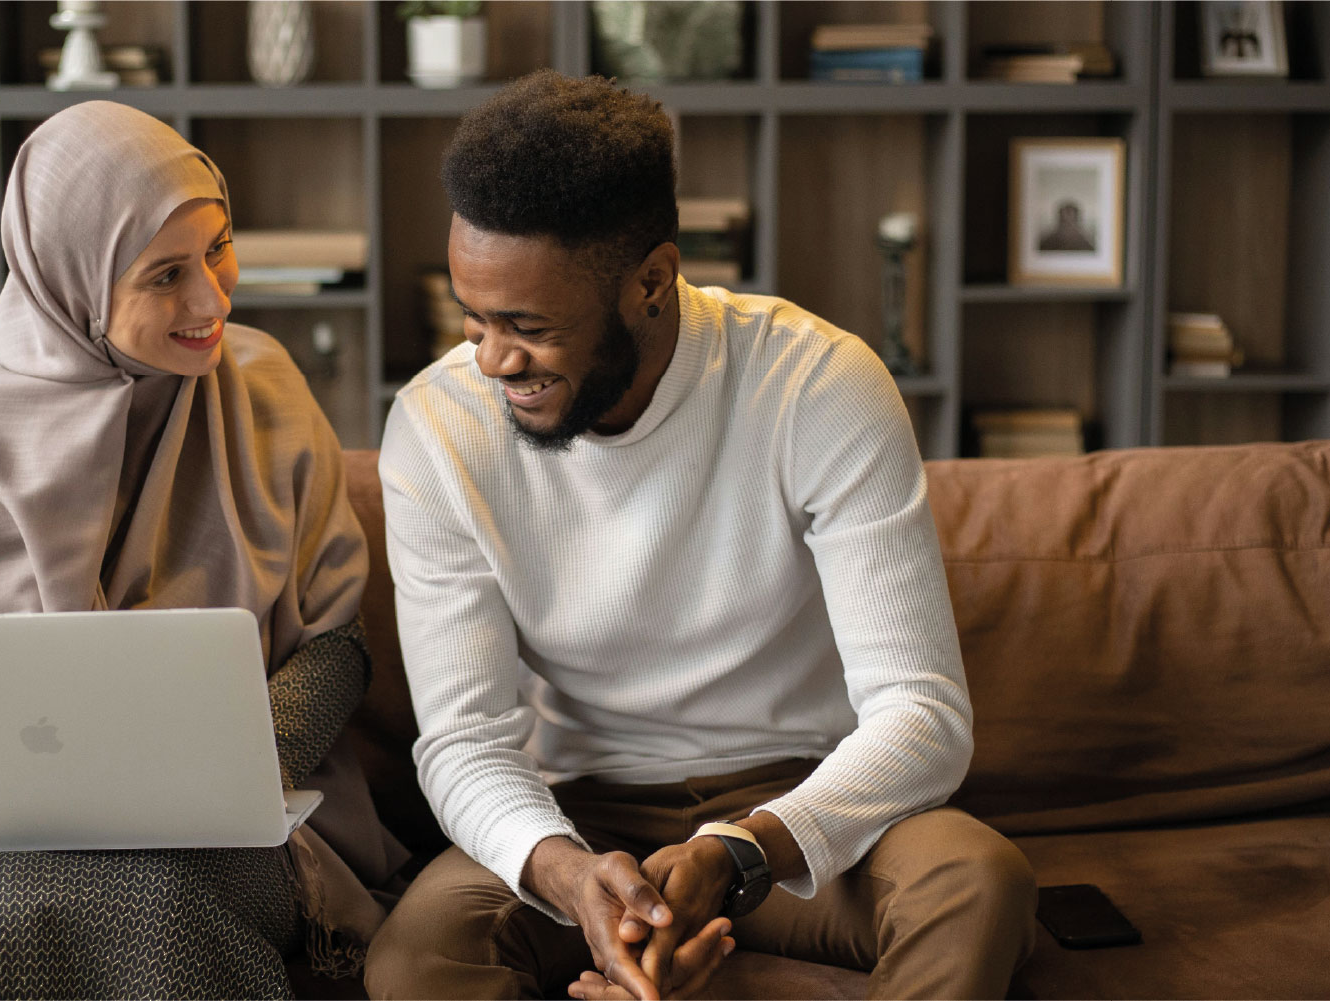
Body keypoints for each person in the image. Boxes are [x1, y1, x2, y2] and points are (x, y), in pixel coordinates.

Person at [365, 71, 1036, 1000]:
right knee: (416, 958)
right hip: (580, 815)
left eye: (528, 326)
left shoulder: (817, 385)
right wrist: (568, 875)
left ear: (651, 280)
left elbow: (923, 716)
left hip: (799, 807)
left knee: (974, 880)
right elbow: (463, 739)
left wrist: (741, 850)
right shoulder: (437, 425)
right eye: (472, 317)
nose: (490, 361)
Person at [0, 100, 404, 1000]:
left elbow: (338, 643)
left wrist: (236, 761)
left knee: (159, 890)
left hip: (225, 828)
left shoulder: (266, 392)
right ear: (74, 281)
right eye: (165, 274)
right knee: (5, 902)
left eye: (218, 248)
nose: (212, 299)